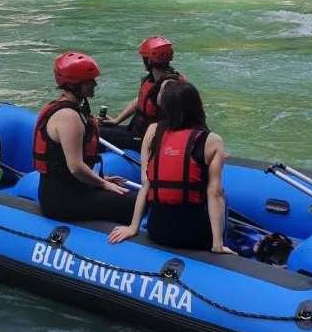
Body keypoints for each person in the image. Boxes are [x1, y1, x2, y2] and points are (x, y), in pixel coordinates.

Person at [109, 81, 232, 252]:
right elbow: (215, 193)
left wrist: (132, 227)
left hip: (158, 231)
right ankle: (222, 242)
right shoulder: (212, 141)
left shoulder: (152, 131)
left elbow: (147, 184)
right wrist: (217, 245)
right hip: (195, 236)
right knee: (223, 196)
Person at [32, 52, 134, 223]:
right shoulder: (68, 117)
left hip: (72, 188)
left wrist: (100, 180)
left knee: (124, 194)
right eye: (90, 81)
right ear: (74, 84)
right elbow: (76, 167)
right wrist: (103, 184)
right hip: (62, 199)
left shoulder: (69, 108)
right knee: (132, 203)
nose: (94, 84)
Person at [100, 36, 184, 152]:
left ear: (149, 61)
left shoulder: (169, 88)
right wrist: (117, 120)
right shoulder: (151, 79)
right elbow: (140, 99)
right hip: (136, 131)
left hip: (146, 139)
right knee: (98, 126)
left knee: (95, 132)